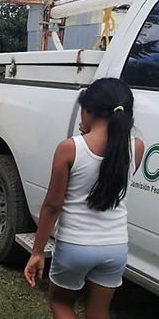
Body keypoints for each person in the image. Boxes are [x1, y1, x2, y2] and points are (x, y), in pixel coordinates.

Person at [24, 78, 144, 319]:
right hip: (115, 246)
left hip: (75, 246)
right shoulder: (137, 147)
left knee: (61, 303)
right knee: (99, 312)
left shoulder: (69, 148)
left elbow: (52, 206)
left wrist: (37, 252)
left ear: (88, 110)